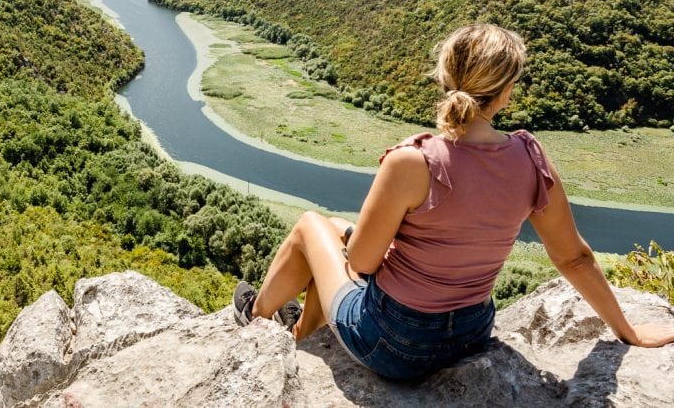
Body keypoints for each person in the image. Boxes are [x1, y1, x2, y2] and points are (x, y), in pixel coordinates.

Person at [233, 23, 674, 380]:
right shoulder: (530, 156)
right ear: (506, 92)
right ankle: (298, 331)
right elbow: (574, 258)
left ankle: (254, 317)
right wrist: (627, 331)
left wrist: (383, 245)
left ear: (446, 80)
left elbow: (362, 263)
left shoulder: (414, 160)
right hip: (471, 335)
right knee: (333, 227)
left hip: (394, 346)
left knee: (313, 224)